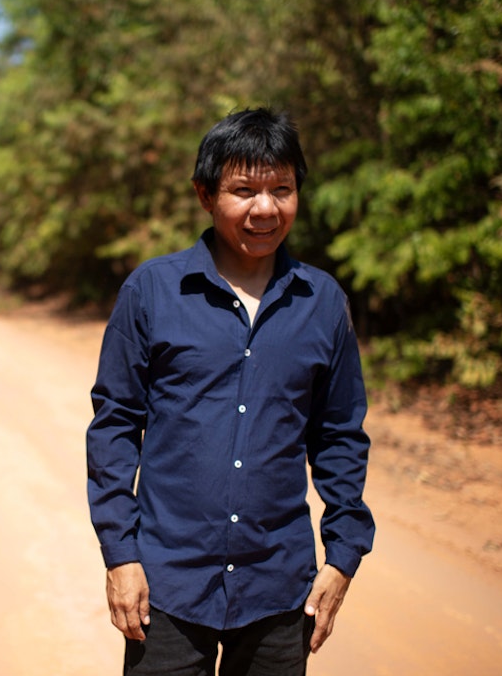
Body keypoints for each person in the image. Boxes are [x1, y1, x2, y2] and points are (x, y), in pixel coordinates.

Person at [86, 107, 375, 675]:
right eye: (243, 190)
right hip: (166, 587)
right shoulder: (152, 291)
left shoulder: (322, 303)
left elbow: (339, 434)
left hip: (279, 590)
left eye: (282, 189)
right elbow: (115, 426)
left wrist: (342, 558)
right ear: (205, 194)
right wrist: (120, 555)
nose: (265, 208)